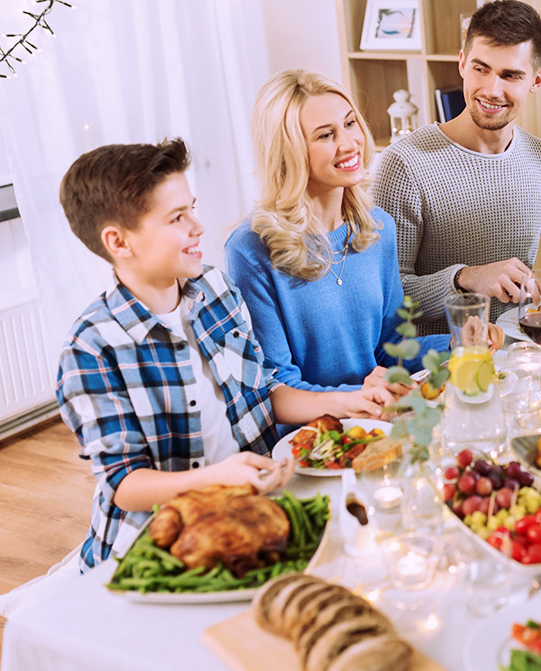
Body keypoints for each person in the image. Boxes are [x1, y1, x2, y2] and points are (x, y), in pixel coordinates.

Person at [56, 139, 391, 571]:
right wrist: (218, 478)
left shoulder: (216, 290)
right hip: (160, 545)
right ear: (119, 242)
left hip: (253, 508)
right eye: (177, 218)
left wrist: (345, 401)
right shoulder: (91, 348)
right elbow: (124, 483)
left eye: (191, 208)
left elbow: (261, 391)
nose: (197, 226)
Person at [373, 0, 541, 335]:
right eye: (481, 69)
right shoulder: (404, 164)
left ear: (537, 79)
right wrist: (467, 279)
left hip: (522, 353)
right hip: (442, 369)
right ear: (462, 63)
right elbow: (383, 298)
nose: (492, 90)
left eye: (511, 75)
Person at [225, 69, 452, 400]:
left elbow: (391, 350)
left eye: (349, 124)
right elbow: (276, 386)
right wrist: (360, 396)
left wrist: (456, 341)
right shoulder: (252, 249)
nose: (349, 144)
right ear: (290, 152)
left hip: (381, 417)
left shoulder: (378, 229)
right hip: (316, 437)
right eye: (325, 135)